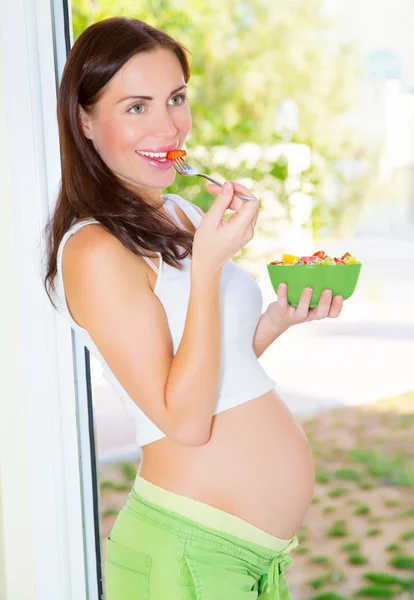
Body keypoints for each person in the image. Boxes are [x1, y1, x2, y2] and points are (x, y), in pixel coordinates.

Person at [43, 16, 343, 600]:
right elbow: (182, 420)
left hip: (235, 559)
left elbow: (206, 375)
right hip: (186, 558)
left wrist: (272, 323)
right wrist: (207, 269)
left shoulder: (178, 212)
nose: (167, 124)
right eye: (136, 107)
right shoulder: (93, 250)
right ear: (84, 120)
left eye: (176, 98)